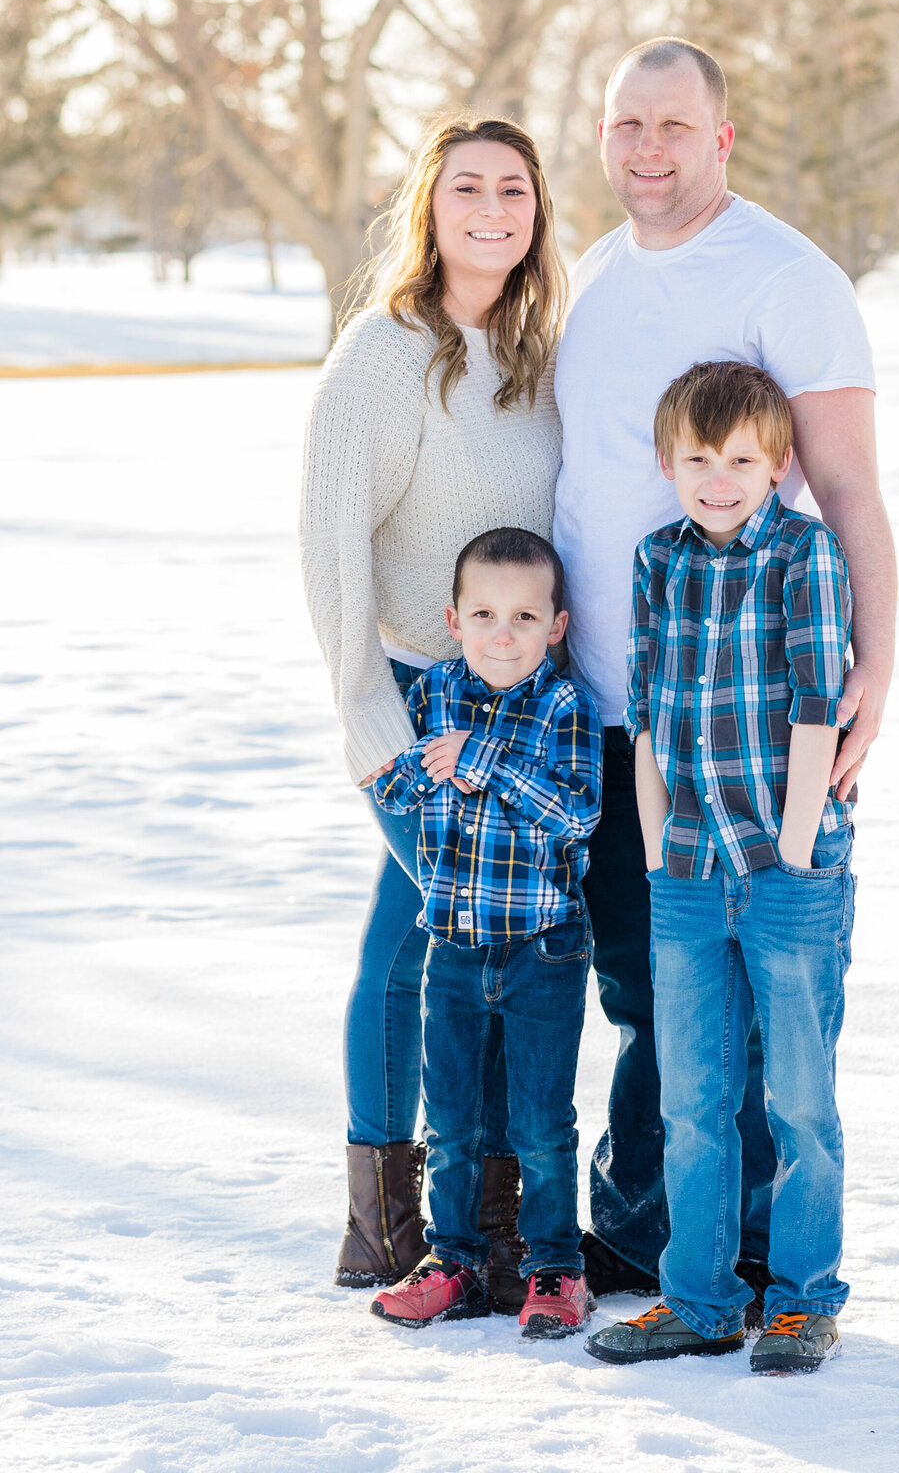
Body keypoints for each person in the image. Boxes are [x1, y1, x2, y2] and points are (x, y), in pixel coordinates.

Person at [553, 37, 895, 1298]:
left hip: (744, 725)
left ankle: (757, 1248)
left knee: (759, 990)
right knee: (646, 988)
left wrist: (877, 671)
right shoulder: (591, 271)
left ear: (722, 139)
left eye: (674, 127)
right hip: (605, 705)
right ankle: (649, 1226)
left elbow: (852, 490)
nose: (647, 149)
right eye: (625, 124)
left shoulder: (790, 279)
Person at [300, 118, 566, 1305]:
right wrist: (373, 727)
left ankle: (444, 1223)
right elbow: (330, 545)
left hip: (522, 696)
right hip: (421, 696)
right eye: (469, 187)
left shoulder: (533, 349)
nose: (493, 207)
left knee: (439, 936)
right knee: (442, 945)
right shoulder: (384, 352)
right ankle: (428, 1219)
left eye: (515, 188)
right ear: (432, 206)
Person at [585, 362, 854, 1374]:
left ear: (778, 464)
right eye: (697, 459)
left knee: (797, 1100)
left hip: (789, 873)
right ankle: (696, 1299)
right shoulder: (659, 561)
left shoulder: (803, 554)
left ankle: (800, 1300)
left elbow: (819, 704)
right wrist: (659, 854)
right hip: (687, 871)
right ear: (668, 463)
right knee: (691, 1101)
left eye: (741, 459)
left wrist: (787, 853)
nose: (719, 477)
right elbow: (647, 716)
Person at [367, 528, 603, 1339]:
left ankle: (553, 1269)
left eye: (526, 617)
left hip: (544, 949)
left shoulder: (566, 706)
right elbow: (399, 790)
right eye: (485, 614)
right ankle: (455, 1260)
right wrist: (418, 761)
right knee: (454, 1119)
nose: (504, 634)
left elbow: (579, 813)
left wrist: (484, 759)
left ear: (557, 625)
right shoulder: (431, 694)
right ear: (454, 618)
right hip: (456, 948)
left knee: (541, 1124)